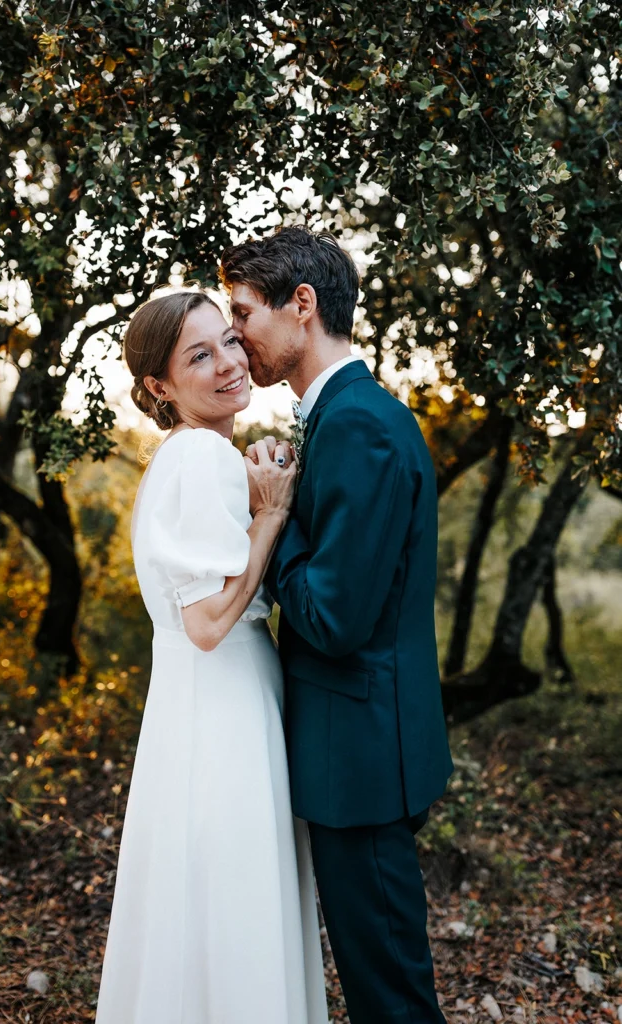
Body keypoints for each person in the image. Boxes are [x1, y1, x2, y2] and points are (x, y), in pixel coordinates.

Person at [220, 225, 454, 1024]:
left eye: (243, 312)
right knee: (378, 982)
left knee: (390, 997)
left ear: (302, 306)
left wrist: (272, 523)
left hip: (361, 758)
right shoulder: (347, 415)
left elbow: (333, 617)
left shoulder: (357, 424)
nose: (236, 334)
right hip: (359, 748)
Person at [95, 290, 329, 1024]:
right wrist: (269, 517)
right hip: (219, 706)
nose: (229, 362)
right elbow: (206, 622)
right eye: (199, 355)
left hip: (205, 702)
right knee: (232, 897)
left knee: (199, 899)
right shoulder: (198, 456)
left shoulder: (198, 455)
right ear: (159, 387)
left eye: (229, 340)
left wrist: (256, 486)